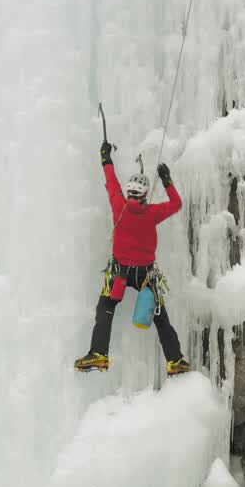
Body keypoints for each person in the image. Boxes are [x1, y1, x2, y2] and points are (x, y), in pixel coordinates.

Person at [74, 141, 191, 375]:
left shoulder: (119, 205)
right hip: (146, 274)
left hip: (120, 272)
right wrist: (167, 181)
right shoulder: (152, 213)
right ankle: (175, 360)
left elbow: (111, 182)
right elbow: (177, 204)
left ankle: (99, 353)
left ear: (129, 192)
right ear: (145, 194)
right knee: (160, 316)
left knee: (106, 307)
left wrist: (105, 157)